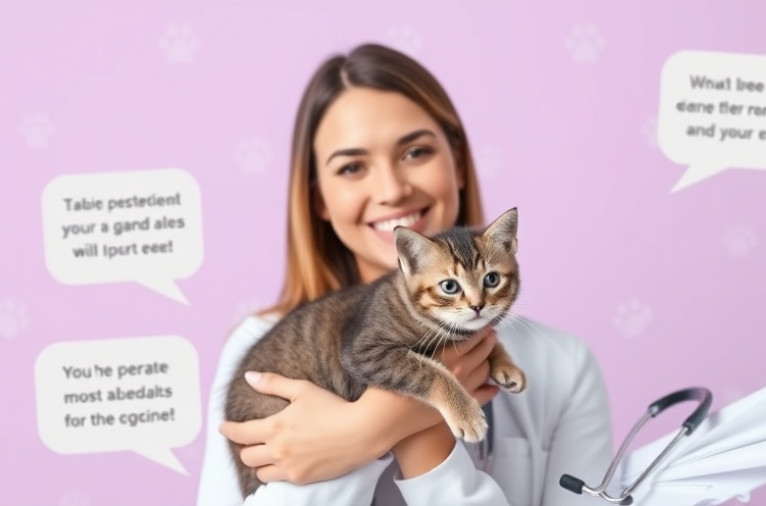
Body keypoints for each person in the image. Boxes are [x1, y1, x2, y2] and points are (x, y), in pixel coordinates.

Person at [197, 43, 613, 506]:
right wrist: (368, 432)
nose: (392, 190)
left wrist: (408, 431)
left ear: (457, 162)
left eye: (415, 152)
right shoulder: (260, 351)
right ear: (318, 199)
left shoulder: (564, 364)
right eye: (352, 166)